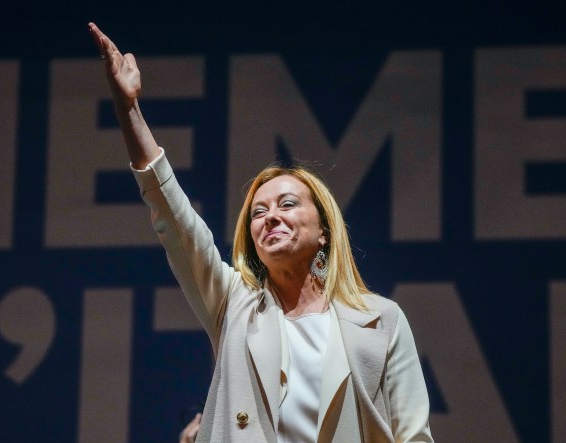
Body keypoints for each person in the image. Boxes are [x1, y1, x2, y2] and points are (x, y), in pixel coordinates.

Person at [88, 22, 434, 443]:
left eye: (287, 204)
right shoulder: (234, 303)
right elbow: (175, 219)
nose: (269, 218)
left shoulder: (380, 320)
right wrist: (129, 111)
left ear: (324, 230)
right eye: (258, 212)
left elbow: (413, 436)